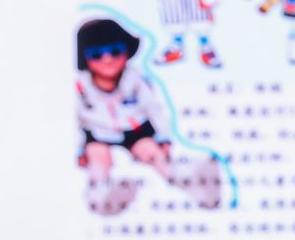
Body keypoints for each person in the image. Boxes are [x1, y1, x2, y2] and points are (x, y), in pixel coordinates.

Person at [72, 15, 221, 214]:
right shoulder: (80, 86)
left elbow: (153, 108)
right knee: (98, 160)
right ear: (84, 58)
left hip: (135, 129)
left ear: (126, 52)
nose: (107, 59)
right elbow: (75, 120)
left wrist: (164, 137)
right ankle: (103, 200)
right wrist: (79, 150)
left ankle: (198, 187)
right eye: (97, 55)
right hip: (99, 133)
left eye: (115, 52)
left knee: (153, 155)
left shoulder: (134, 80)